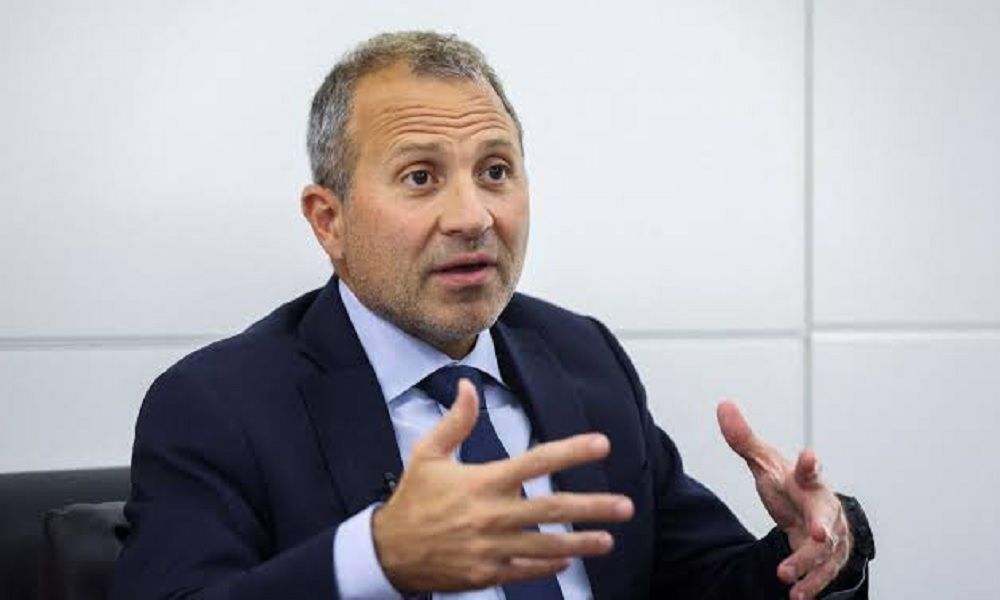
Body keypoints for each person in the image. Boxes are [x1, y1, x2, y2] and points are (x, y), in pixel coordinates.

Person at [111, 31, 873, 600]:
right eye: (421, 177)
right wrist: (376, 557)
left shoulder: (582, 357)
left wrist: (810, 550)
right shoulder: (219, 407)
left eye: (496, 171)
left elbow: (701, 582)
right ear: (328, 220)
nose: (474, 216)